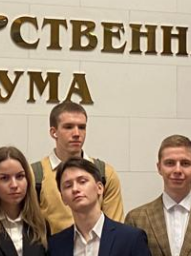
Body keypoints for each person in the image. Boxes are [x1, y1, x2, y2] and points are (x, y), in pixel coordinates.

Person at [32, 100, 124, 233]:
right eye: (68, 127)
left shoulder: (105, 173)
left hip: (100, 245)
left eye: (81, 127)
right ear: (53, 132)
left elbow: (115, 231)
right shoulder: (34, 175)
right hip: (53, 245)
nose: (76, 133)